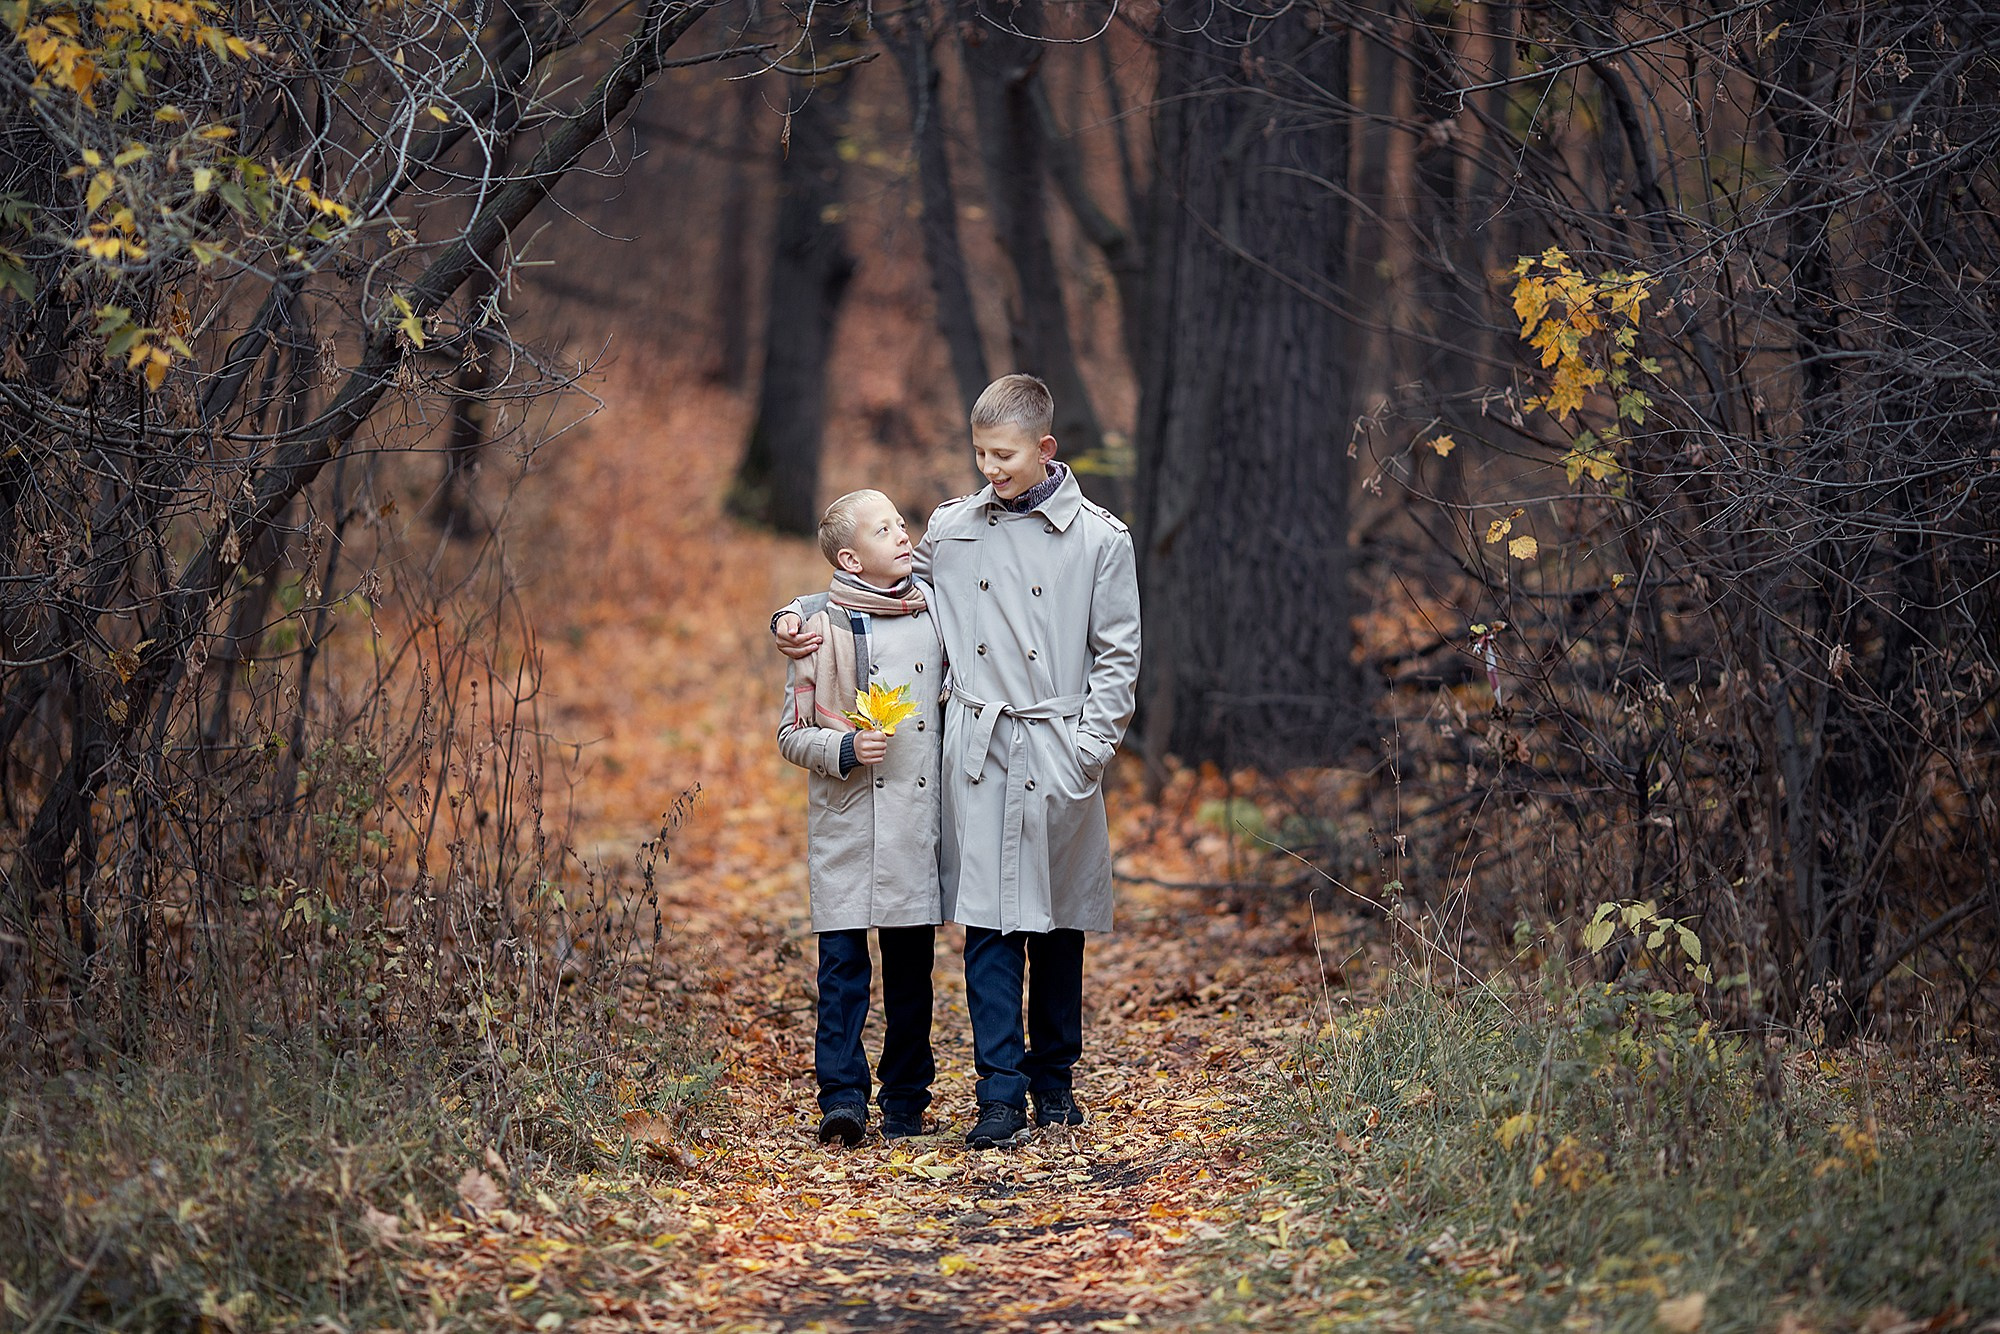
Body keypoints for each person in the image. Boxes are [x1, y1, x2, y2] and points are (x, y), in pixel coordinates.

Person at [776, 375, 1141, 1149]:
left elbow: (1118, 657)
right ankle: (997, 1095)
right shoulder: (952, 527)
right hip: (979, 748)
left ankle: (1055, 1083)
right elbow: (873, 590)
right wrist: (795, 616)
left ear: (1044, 448)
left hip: (1058, 744)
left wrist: (1088, 753)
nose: (989, 469)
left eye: (1003, 454)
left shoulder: (1101, 540)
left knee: (1059, 927)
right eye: (980, 454)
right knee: (988, 926)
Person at [777, 489, 945, 1146]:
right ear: (850, 559)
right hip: (845, 819)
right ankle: (842, 1097)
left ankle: (905, 1097)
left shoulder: (934, 611)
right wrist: (843, 748)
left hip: (913, 816)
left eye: (901, 524)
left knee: (911, 973)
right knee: (842, 971)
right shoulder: (818, 630)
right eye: (884, 530)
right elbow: (791, 734)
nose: (903, 535)